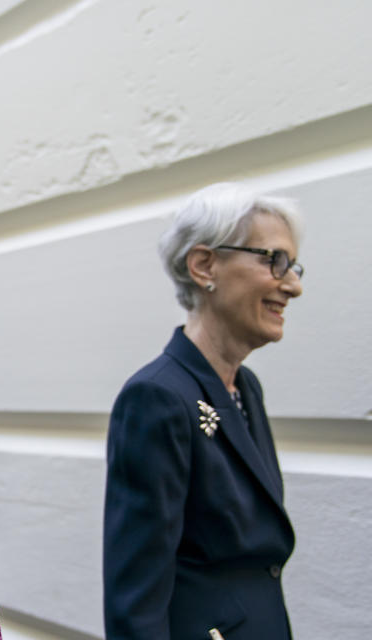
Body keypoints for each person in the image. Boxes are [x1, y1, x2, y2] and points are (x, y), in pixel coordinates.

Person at [103, 183, 303, 640]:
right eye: (274, 261)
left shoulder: (244, 386)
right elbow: (136, 604)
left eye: (292, 266)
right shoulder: (156, 398)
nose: (292, 285)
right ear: (204, 265)